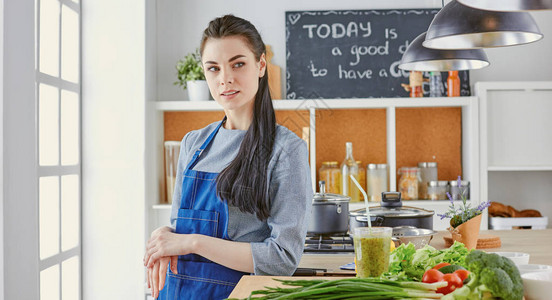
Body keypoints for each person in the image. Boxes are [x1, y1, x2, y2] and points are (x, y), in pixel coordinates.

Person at [143, 15, 312, 299]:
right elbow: (178, 227)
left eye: (238, 64)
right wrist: (164, 238)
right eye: (213, 68)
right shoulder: (193, 144)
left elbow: (282, 258)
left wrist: (193, 243)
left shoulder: (286, 150)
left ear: (260, 65)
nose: (225, 79)